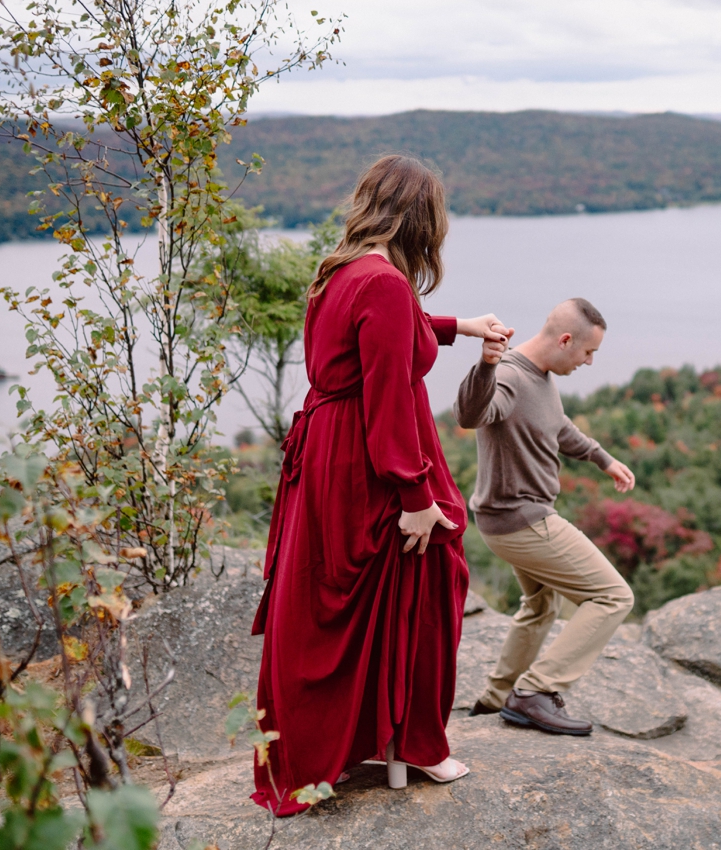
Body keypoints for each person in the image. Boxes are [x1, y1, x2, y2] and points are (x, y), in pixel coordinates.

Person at [251, 154, 511, 812]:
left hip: (329, 457)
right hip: (369, 461)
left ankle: (363, 739)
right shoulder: (387, 285)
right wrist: (416, 497)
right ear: (422, 219)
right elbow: (389, 393)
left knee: (342, 603)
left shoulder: (339, 271)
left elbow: (380, 342)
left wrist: (457, 327)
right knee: (430, 576)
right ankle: (416, 745)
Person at [455, 297, 637, 736]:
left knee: (541, 604)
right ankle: (534, 691)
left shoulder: (542, 376)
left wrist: (602, 458)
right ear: (566, 340)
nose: (589, 362)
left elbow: (557, 426)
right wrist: (484, 365)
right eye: (587, 353)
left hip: (511, 519)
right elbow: (470, 414)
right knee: (614, 597)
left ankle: (497, 697)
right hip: (522, 521)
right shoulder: (511, 377)